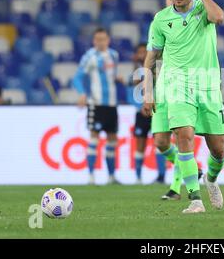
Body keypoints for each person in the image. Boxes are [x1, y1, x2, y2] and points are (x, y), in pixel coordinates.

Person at [142, 0, 224, 214]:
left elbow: (219, 17)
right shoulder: (160, 19)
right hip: (176, 84)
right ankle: (195, 199)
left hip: (208, 86)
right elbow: (152, 57)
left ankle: (210, 180)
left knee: (218, 149)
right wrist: (148, 91)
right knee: (184, 137)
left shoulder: (203, 10)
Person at [72, 27, 121, 185]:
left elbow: (110, 77)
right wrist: (82, 93)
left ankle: (111, 177)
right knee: (94, 137)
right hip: (96, 104)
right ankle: (91, 176)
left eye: (103, 39)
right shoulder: (90, 56)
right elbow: (77, 78)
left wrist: (117, 78)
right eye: (97, 39)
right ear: (94, 41)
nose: (100, 42)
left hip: (112, 104)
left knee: (112, 139)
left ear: (108, 40)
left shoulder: (114, 55)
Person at [130, 43, 168, 184]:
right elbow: (131, 92)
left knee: (160, 142)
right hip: (141, 113)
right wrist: (139, 105)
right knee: (140, 143)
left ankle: (161, 176)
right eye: (139, 52)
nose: (142, 55)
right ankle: (138, 177)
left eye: (144, 52)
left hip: (156, 110)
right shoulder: (136, 71)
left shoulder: (157, 67)